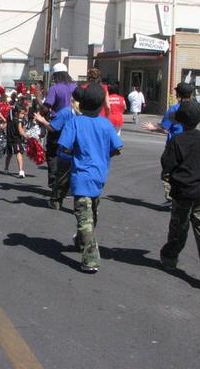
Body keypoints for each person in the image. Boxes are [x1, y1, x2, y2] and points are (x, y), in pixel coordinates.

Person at [58, 83, 123, 273]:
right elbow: (117, 148)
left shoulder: (75, 123)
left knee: (86, 218)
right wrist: (102, 156)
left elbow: (63, 150)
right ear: (101, 105)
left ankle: (90, 258)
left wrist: (73, 158)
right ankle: (84, 247)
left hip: (80, 176)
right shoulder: (106, 124)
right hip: (99, 176)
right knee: (90, 216)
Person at [159, 100, 200, 289]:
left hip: (183, 192)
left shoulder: (177, 140)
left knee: (179, 229)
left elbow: (167, 164)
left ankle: (170, 257)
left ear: (180, 120)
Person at [143, 82, 195, 204]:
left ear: (178, 94)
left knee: (168, 172)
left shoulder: (174, 109)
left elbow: (165, 128)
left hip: (175, 145)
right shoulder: (195, 108)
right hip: (191, 144)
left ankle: (173, 198)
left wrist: (152, 127)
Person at [34, 99, 75, 211]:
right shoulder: (82, 113)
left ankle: (56, 198)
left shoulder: (66, 112)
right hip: (72, 146)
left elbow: (53, 127)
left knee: (58, 170)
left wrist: (42, 120)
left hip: (61, 144)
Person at [4, 104, 27, 178]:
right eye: (22, 113)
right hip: (16, 140)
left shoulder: (9, 119)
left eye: (24, 113)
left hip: (9, 139)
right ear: (17, 113)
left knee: (9, 154)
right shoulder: (18, 121)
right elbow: (21, 132)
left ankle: (6, 168)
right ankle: (21, 170)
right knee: (19, 153)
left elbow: (4, 126)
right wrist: (27, 136)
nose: (23, 115)